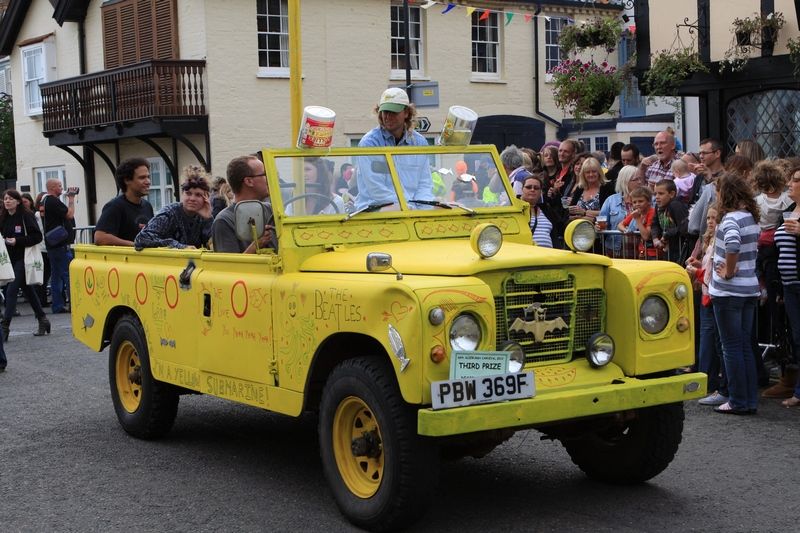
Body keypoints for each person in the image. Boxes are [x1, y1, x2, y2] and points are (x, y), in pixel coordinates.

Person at [709, 172, 761, 415]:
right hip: (749, 288)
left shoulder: (730, 219)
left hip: (729, 291)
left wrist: (729, 270)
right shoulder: (750, 217)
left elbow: (732, 245)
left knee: (731, 347)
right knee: (744, 346)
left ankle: (738, 400)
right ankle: (749, 399)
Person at [355, 88, 433, 209]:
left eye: (393, 112)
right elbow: (377, 189)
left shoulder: (420, 142)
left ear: (406, 112)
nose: (387, 117)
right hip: (376, 208)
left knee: (453, 208)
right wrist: (406, 208)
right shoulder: (370, 143)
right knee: (393, 209)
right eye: (385, 111)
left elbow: (424, 183)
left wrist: (424, 208)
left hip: (411, 208)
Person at [686, 205, 729, 406]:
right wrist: (696, 266)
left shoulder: (719, 242)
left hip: (711, 294)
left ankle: (709, 382)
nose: (710, 222)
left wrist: (697, 273)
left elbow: (712, 273)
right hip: (706, 293)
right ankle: (706, 380)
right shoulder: (708, 240)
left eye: (715, 218)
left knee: (713, 341)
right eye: (709, 218)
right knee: (707, 339)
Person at [0, 190, 50, 341]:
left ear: (18, 201)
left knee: (11, 289)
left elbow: (37, 236)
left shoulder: (25, 215)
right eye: (6, 199)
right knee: (28, 291)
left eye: (11, 199)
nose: (7, 201)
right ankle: (43, 319)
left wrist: (17, 241)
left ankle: (5, 326)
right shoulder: (3, 217)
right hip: (9, 259)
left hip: (24, 258)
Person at [134, 165, 214, 250]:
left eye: (198, 195)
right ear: (182, 193)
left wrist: (208, 219)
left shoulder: (203, 217)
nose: (192, 199)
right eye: (188, 193)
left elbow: (214, 246)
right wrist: (179, 246)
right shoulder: (169, 213)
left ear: (205, 197)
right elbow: (141, 238)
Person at [212, 155, 275, 254]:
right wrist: (256, 244)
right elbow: (229, 267)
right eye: (265, 174)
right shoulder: (224, 221)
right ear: (249, 181)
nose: (269, 178)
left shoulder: (271, 210)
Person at [775, 168, 800, 407]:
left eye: (796, 180)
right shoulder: (787, 212)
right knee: (796, 337)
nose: (790, 184)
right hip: (789, 285)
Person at [94, 157, 154, 246]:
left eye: (148, 177)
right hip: (123, 259)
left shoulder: (147, 206)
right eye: (142, 178)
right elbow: (100, 237)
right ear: (127, 180)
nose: (148, 181)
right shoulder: (115, 206)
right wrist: (135, 245)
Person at [42, 178, 77, 314]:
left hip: (52, 244)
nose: (62, 188)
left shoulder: (44, 200)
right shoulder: (53, 201)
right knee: (68, 275)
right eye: (59, 186)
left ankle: (57, 305)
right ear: (52, 187)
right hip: (61, 245)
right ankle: (73, 304)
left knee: (56, 276)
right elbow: (69, 214)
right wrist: (71, 199)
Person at [597, 165, 637, 257]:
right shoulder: (611, 200)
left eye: (640, 179)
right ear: (625, 181)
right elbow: (601, 223)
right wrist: (599, 227)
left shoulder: (647, 201)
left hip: (639, 251)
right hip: (614, 250)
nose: (640, 182)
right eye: (636, 179)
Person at [651, 179, 689, 263]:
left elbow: (684, 227)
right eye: (655, 194)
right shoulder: (658, 206)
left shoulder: (676, 205)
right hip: (668, 250)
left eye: (661, 194)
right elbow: (654, 224)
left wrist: (666, 235)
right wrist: (655, 238)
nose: (656, 197)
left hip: (680, 249)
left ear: (671, 194)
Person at [567, 156, 615, 222]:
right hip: (578, 228)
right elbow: (571, 211)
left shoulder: (607, 187)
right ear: (583, 174)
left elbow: (610, 212)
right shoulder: (580, 188)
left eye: (594, 171)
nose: (591, 174)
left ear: (599, 172)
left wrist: (585, 212)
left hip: (599, 229)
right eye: (587, 172)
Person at [618, 186, 657, 259]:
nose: (637, 204)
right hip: (642, 251)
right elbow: (620, 225)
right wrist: (626, 230)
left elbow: (646, 236)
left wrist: (638, 219)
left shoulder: (652, 212)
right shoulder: (636, 212)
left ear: (648, 201)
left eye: (641, 201)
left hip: (654, 252)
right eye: (634, 202)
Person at [520, 175, 556, 248]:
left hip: (550, 256)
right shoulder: (515, 209)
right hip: (525, 255)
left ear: (541, 192)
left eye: (536, 188)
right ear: (522, 190)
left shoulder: (547, 210)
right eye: (528, 187)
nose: (532, 190)